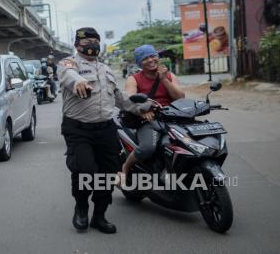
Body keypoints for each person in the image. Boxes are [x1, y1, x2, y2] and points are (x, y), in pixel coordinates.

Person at [58, 27, 152, 234]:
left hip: (106, 128)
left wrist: (144, 108)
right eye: (88, 41)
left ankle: (99, 216)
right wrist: (79, 80)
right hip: (78, 128)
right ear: (77, 45)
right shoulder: (68, 64)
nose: (92, 44)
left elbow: (120, 99)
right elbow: (68, 74)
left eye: (95, 41)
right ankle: (81, 207)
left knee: (109, 174)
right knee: (84, 170)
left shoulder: (106, 69)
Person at [119, 45, 185, 179]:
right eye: (145, 58)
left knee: (185, 144)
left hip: (172, 117)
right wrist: (143, 110)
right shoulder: (134, 79)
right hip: (149, 120)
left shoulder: (169, 75)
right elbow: (128, 100)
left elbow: (180, 98)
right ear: (139, 63)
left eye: (153, 56)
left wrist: (164, 79)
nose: (150, 60)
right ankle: (125, 167)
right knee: (147, 148)